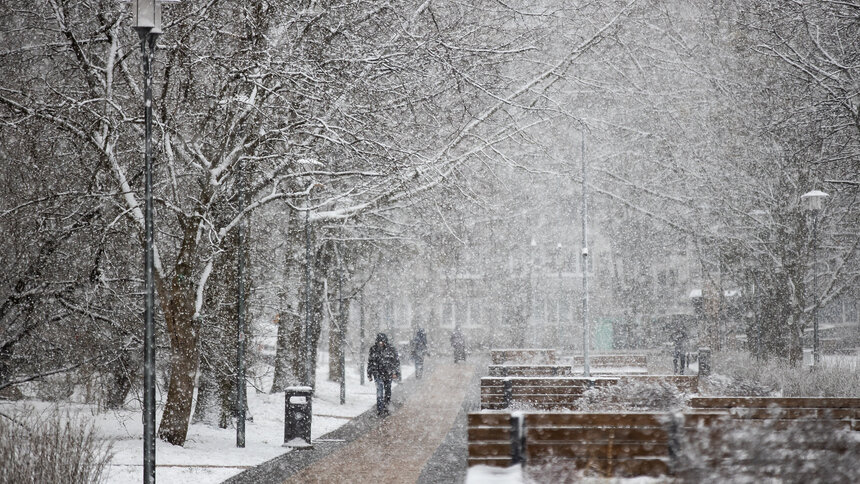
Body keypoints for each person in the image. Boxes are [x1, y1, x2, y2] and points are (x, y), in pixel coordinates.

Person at [367, 332, 400, 416]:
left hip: (388, 373)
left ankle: (386, 406)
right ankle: (379, 409)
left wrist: (396, 372)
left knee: (388, 390)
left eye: (382, 341)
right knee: (379, 390)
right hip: (377, 373)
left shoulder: (391, 349)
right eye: (379, 341)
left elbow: (396, 362)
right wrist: (369, 373)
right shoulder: (373, 349)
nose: (380, 343)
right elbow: (370, 362)